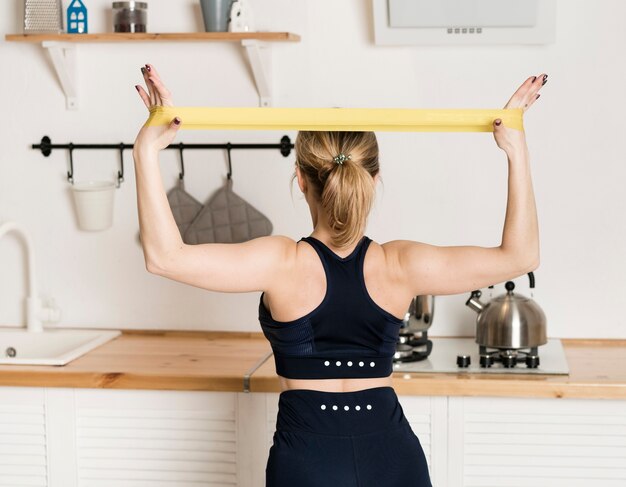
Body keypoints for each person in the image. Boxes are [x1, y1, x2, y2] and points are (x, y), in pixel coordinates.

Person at [133, 63, 545, 486]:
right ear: (374, 178)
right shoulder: (399, 264)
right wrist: (516, 149)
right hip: (393, 458)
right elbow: (521, 256)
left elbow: (164, 256)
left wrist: (145, 152)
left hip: (307, 462)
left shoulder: (280, 262)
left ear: (301, 180)